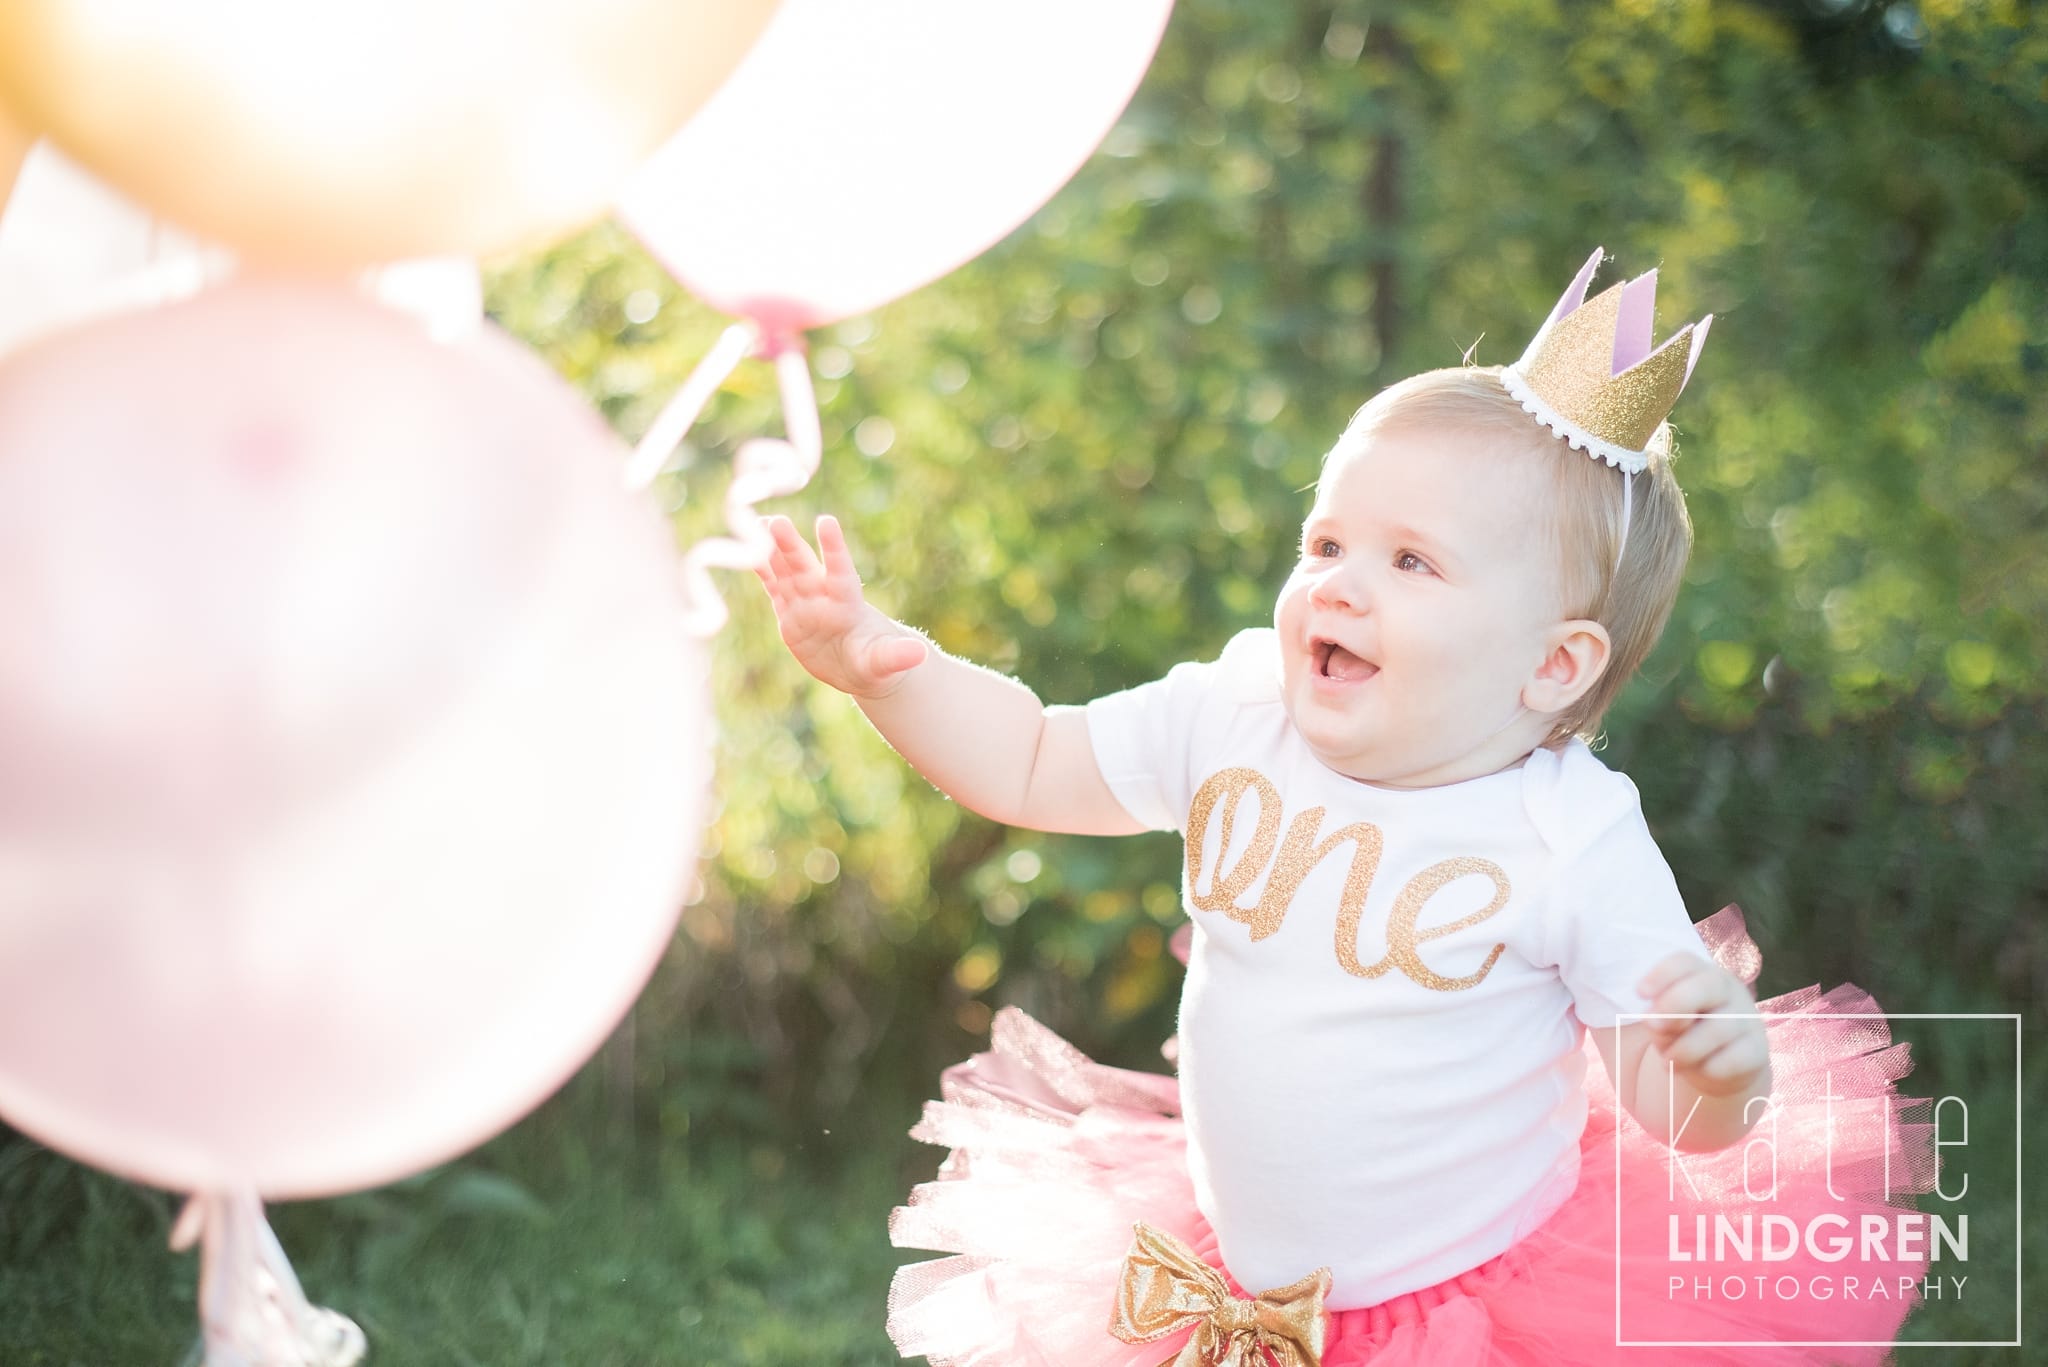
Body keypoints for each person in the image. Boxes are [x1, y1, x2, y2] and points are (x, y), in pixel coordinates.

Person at [757, 250, 1930, 1366]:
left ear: (1552, 666)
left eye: (1410, 562)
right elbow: (1024, 758)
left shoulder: (1567, 836)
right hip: (1239, 1279)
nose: (1337, 581)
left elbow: (1664, 1106)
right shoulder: (1236, 713)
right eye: (1325, 539)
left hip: (1474, 1300)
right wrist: (882, 669)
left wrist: (1716, 1077)